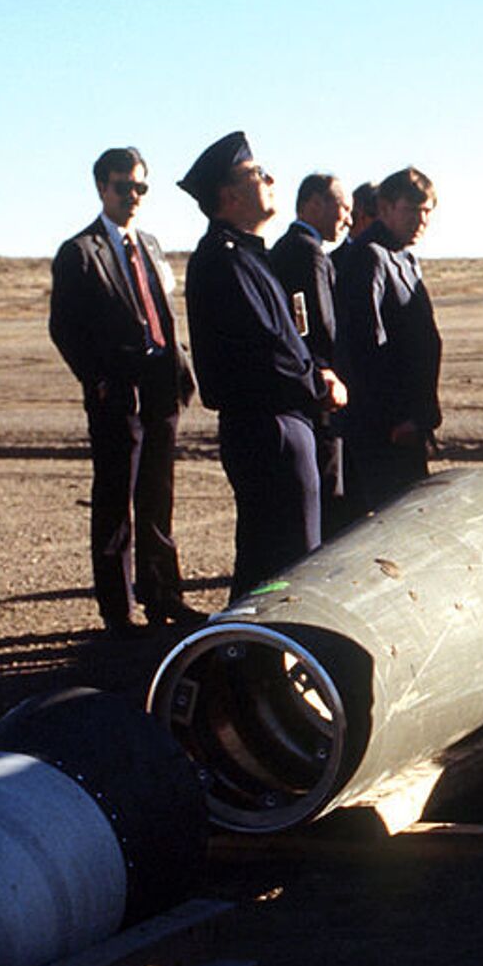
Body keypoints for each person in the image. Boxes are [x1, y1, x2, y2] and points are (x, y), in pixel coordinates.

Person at [178, 131, 346, 602]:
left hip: (283, 423)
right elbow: (266, 351)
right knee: (281, 567)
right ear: (230, 195)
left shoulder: (250, 256)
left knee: (280, 561)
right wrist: (318, 381)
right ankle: (259, 664)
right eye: (257, 174)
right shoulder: (224, 261)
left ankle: (259, 664)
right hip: (267, 427)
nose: (270, 179)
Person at [48, 146, 201, 636]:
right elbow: (64, 328)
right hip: (118, 396)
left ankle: (163, 595)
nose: (132, 196)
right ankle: (117, 610)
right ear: (101, 188)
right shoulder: (79, 252)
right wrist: (101, 382)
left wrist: (179, 364)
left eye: (140, 187)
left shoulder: (152, 244)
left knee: (158, 496)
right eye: (122, 186)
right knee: (115, 501)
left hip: (160, 387)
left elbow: (163, 306)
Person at [334, 166, 444, 510]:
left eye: (427, 211)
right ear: (384, 208)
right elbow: (368, 348)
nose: (421, 220)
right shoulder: (369, 256)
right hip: (386, 427)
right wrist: (398, 418)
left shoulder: (404, 257)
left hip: (410, 421)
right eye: (411, 210)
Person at [267, 173, 354, 536]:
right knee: (327, 496)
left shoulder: (286, 247)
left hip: (297, 391)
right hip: (318, 396)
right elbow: (320, 327)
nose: (348, 219)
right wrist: (331, 373)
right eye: (343, 208)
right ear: (315, 203)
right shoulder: (308, 252)